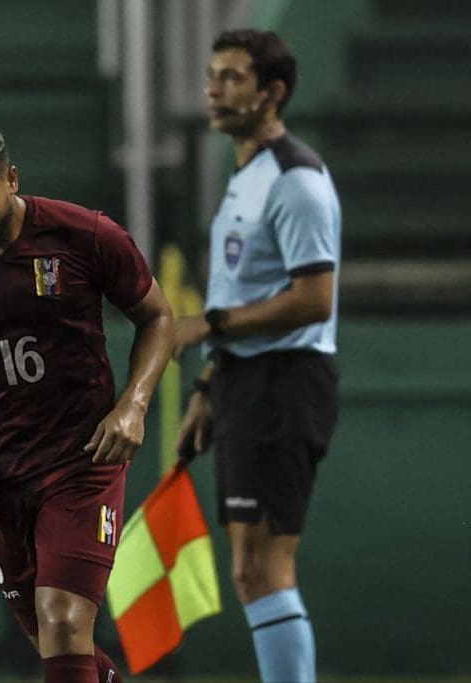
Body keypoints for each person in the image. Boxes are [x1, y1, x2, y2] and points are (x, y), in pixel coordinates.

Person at [0, 118, 175, 683]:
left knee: (65, 622)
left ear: (13, 179)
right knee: (52, 640)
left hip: (82, 461)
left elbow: (159, 317)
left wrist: (134, 405)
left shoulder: (85, 236)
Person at [173, 29, 341, 683]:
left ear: (274, 92)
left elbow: (314, 298)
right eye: (213, 75)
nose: (214, 90)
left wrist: (209, 325)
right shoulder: (247, 174)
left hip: (284, 381)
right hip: (246, 380)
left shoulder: (296, 181)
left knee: (261, 566)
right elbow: (250, 284)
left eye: (233, 78)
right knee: (248, 564)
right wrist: (211, 384)